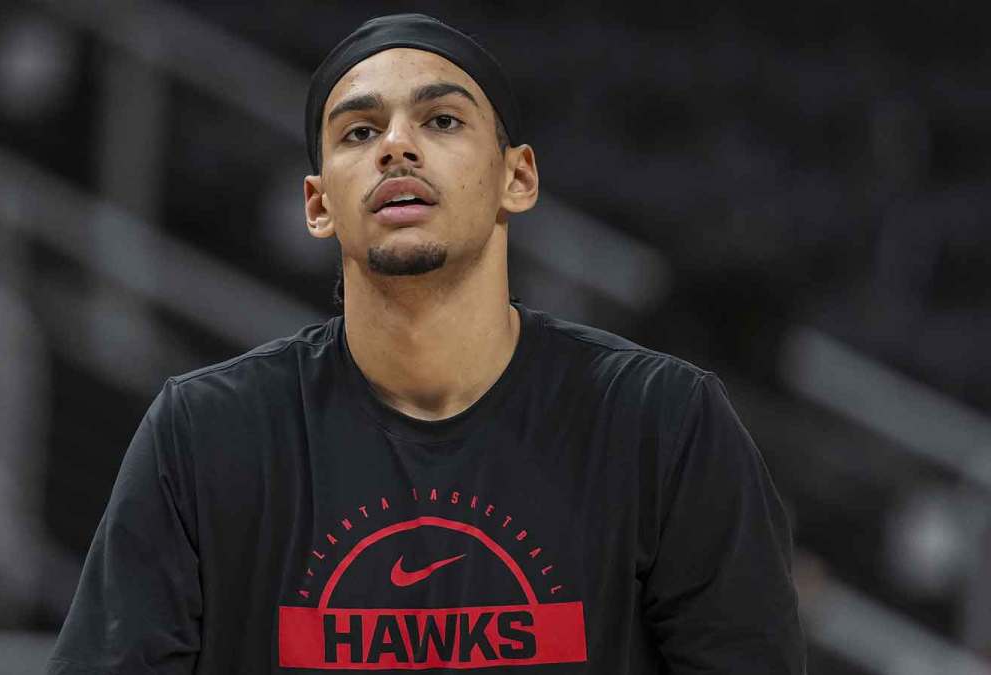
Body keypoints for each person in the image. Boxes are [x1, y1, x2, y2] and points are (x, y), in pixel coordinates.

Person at [47, 13, 805, 674]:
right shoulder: (204, 433)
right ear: (317, 204)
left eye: (441, 120)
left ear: (519, 178)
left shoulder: (665, 424)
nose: (396, 147)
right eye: (359, 131)